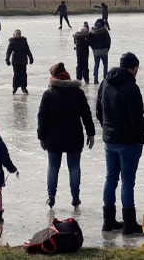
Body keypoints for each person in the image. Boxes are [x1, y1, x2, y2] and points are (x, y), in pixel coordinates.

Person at [96, 52, 144, 234]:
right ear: (133, 68)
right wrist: (142, 138)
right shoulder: (132, 88)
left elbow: (98, 110)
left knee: (110, 179)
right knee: (127, 182)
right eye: (137, 69)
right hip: (128, 142)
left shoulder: (105, 83)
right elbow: (137, 117)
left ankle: (108, 221)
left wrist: (107, 129)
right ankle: (129, 223)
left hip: (110, 140)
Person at [37, 63, 95, 209]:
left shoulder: (49, 94)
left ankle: (51, 197)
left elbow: (41, 117)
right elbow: (86, 115)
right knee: (74, 167)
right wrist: (90, 133)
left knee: (53, 167)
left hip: (53, 138)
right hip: (73, 137)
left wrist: (41, 137)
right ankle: (75, 197)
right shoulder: (77, 93)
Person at [5, 29, 34, 94]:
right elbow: (8, 51)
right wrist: (7, 59)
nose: (18, 35)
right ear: (14, 34)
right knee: (16, 74)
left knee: (23, 74)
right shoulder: (12, 42)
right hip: (15, 59)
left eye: (19, 34)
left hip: (23, 59)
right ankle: (15, 87)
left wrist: (30, 57)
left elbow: (27, 49)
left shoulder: (24, 41)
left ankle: (24, 87)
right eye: (17, 34)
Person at [87, 18, 111, 84]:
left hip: (96, 51)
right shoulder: (104, 31)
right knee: (105, 65)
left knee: (96, 65)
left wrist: (93, 48)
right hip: (104, 50)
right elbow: (108, 40)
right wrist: (107, 49)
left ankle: (95, 79)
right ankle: (105, 79)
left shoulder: (92, 31)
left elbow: (89, 41)